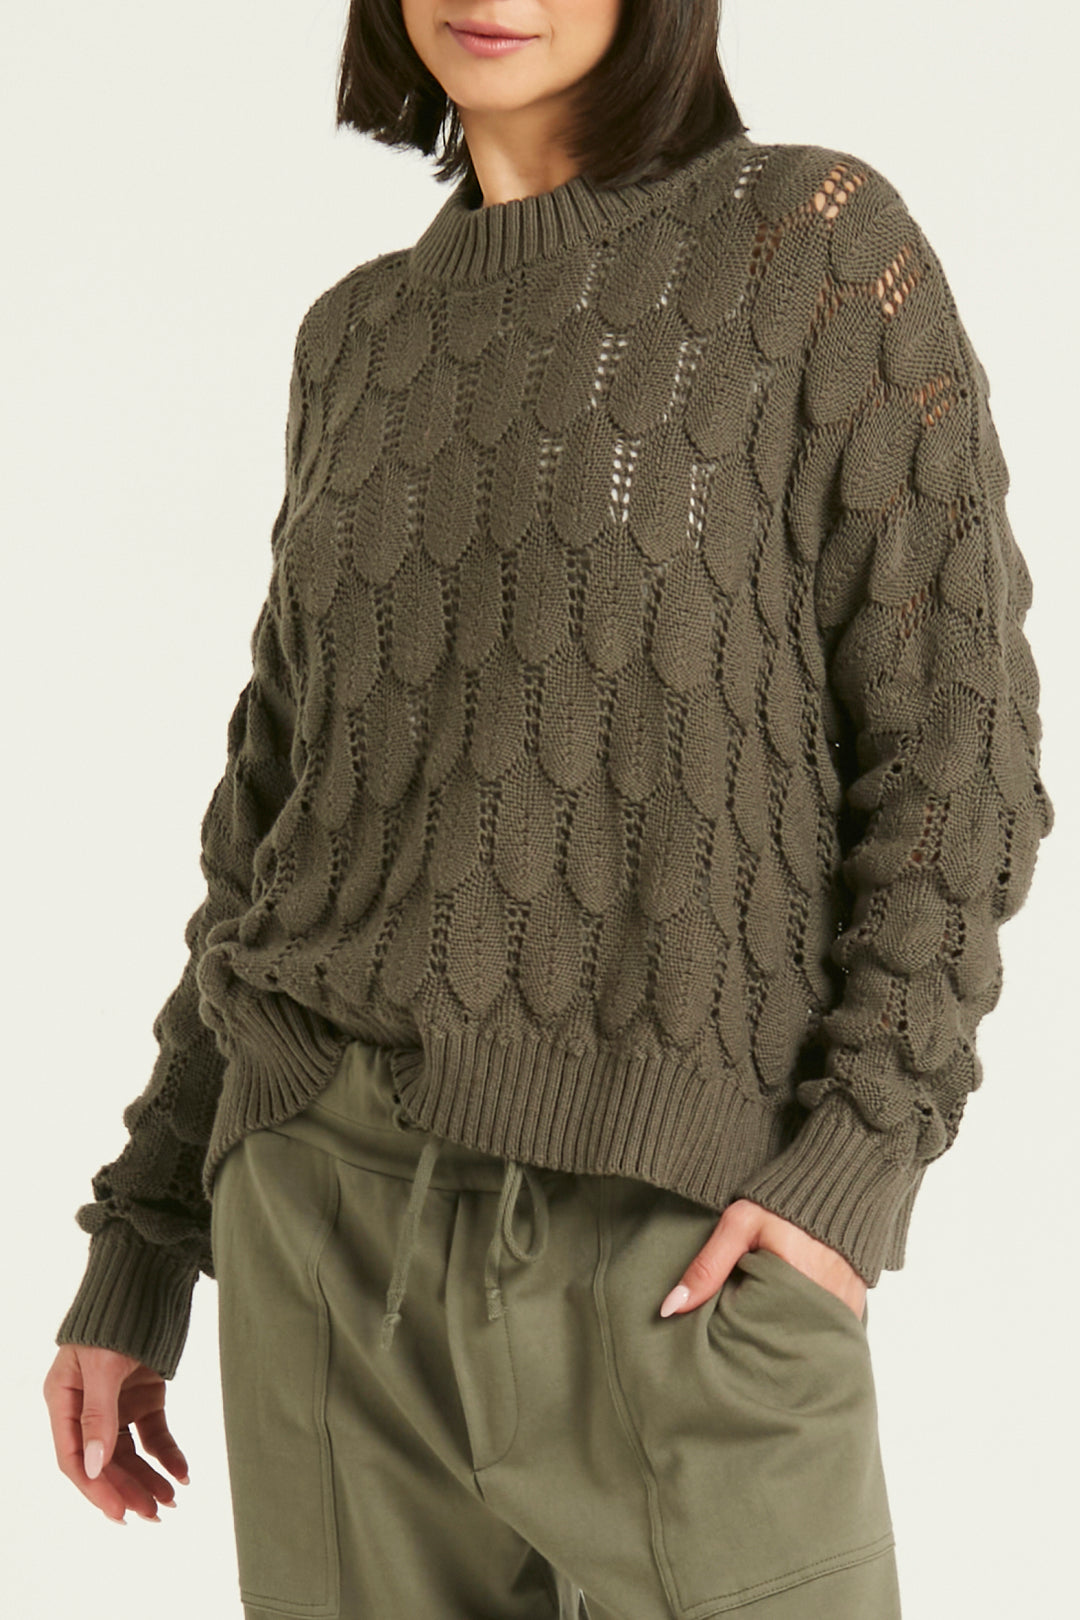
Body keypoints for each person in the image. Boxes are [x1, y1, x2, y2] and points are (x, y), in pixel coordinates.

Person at [43, 2, 1055, 1616]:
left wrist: (850, 1171)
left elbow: (960, 756)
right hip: (323, 1231)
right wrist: (145, 1235)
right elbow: (276, 825)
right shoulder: (355, 339)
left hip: (682, 1243)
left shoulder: (812, 247)